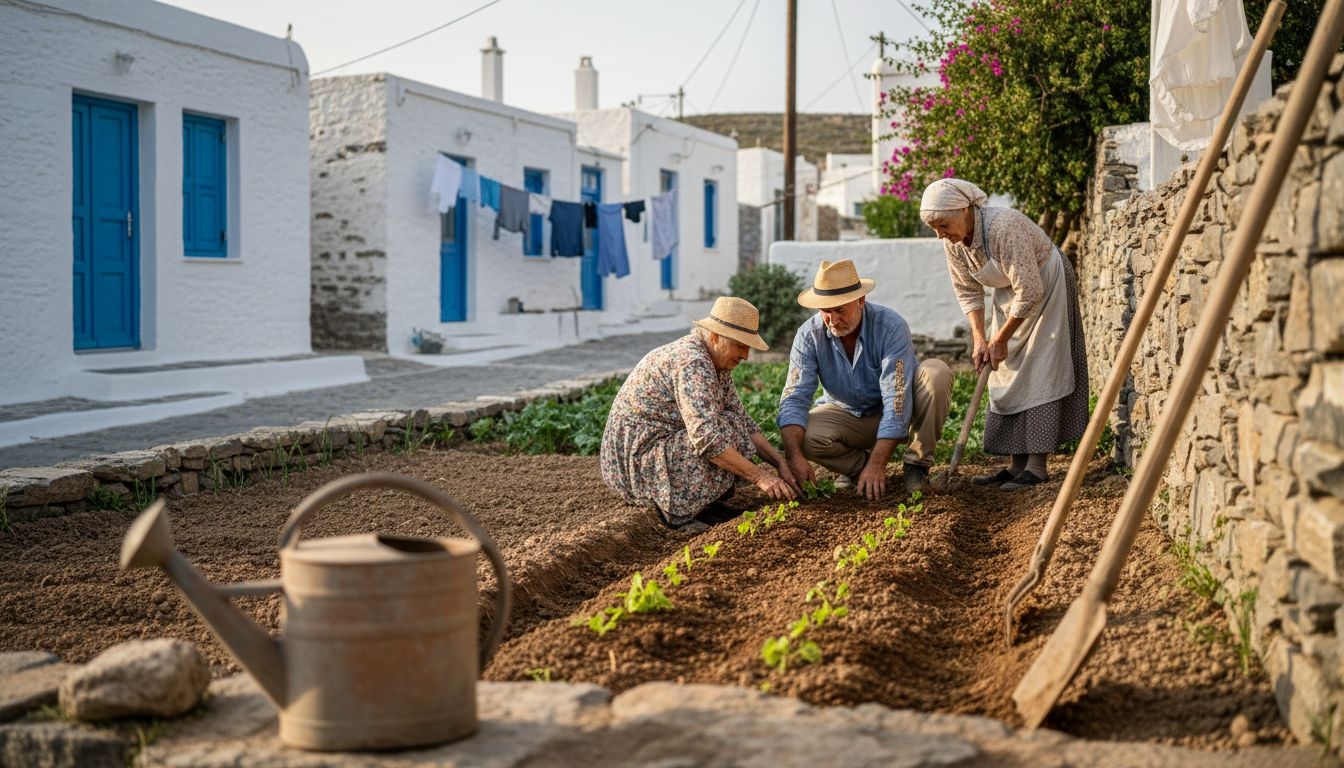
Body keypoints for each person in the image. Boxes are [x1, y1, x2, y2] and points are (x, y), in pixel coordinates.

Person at [919, 178, 1089, 490]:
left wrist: (1001, 339)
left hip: (1046, 284)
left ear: (965, 210)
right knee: (1005, 373)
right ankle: (1015, 466)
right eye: (934, 228)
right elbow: (968, 292)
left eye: (943, 225)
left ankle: (1036, 468)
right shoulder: (953, 243)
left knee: (1040, 368)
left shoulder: (1003, 226)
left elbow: (1031, 289)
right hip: (1012, 294)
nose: (940, 234)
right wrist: (981, 340)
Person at [601, 296, 798, 529]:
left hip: (658, 447)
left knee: (733, 423)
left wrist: (780, 463)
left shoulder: (715, 361)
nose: (746, 355)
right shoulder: (693, 362)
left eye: (748, 347)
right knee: (723, 431)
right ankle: (677, 512)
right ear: (715, 336)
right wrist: (760, 477)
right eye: (740, 345)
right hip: (635, 464)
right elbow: (706, 439)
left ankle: (702, 504)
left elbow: (743, 421)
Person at [777, 260, 953, 499]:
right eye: (826, 311)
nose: (833, 320)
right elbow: (794, 397)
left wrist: (879, 463)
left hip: (904, 410)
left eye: (840, 310)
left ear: (860, 301)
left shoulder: (890, 326)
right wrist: (794, 457)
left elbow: (897, 399)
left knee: (936, 373)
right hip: (847, 412)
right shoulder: (808, 335)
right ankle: (859, 469)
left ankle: (916, 467)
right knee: (806, 437)